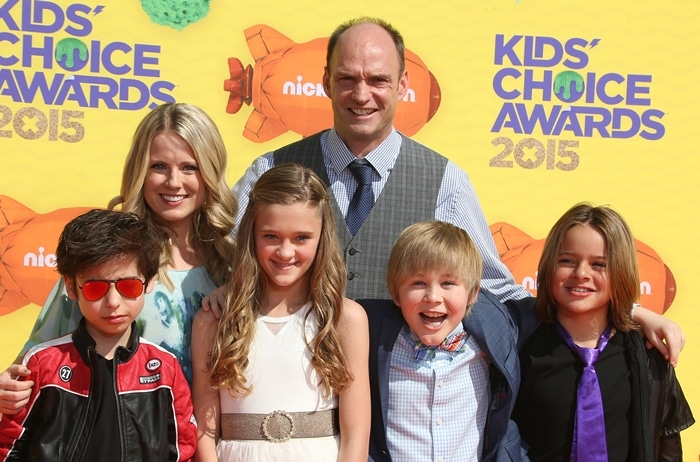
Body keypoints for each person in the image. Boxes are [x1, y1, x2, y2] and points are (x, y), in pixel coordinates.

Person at [216, 17, 684, 366]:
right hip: (293, 394)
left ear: (402, 85)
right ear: (325, 83)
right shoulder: (271, 169)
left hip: (403, 406)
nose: (363, 94)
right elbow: (219, 259)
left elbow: (500, 289)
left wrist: (632, 313)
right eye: (348, 79)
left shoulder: (444, 180)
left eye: (378, 80)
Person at [0, 102, 237, 412]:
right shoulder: (107, 254)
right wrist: (11, 387)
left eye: (189, 167)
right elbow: (37, 358)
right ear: (139, 170)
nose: (174, 182)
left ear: (209, 172)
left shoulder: (234, 263)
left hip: (208, 446)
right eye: (158, 166)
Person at [191, 164, 370, 461]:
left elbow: (356, 437)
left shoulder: (345, 319)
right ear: (251, 234)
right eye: (271, 236)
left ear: (322, 238)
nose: (285, 253)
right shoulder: (214, 319)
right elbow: (205, 433)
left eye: (301, 238)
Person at [0, 209, 197, 461]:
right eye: (95, 288)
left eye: (128, 286)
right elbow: (8, 446)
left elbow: (183, 450)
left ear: (148, 283)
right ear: (71, 287)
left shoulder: (164, 369)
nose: (113, 302)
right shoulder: (41, 364)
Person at [512, 203, 694, 461]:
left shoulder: (647, 352)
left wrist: (637, 313)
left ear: (621, 272)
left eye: (599, 264)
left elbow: (667, 443)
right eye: (567, 260)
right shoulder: (520, 344)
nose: (581, 273)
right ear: (549, 265)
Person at [359, 221, 536, 462]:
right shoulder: (370, 330)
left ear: (472, 294)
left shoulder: (495, 326)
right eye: (418, 283)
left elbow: (545, 312)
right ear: (395, 292)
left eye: (448, 284)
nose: (433, 297)